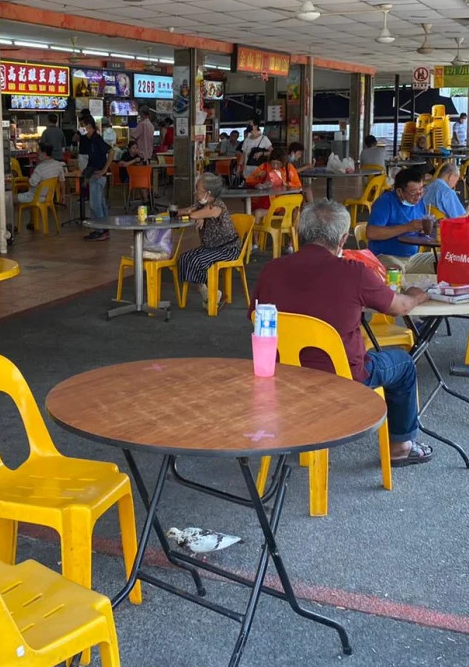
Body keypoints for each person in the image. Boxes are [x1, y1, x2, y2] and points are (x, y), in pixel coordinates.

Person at [251, 199, 433, 466]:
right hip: (344, 378)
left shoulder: (270, 270)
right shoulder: (354, 272)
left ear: (302, 232)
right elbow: (399, 307)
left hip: (283, 376)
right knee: (403, 363)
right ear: (343, 239)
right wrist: (418, 296)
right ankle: (401, 446)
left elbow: (256, 320)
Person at [175, 173, 241, 308]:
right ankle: (207, 292)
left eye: (198, 190)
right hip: (211, 247)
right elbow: (184, 211)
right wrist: (200, 215)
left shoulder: (217, 206)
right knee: (184, 258)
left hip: (227, 249)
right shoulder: (203, 205)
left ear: (208, 193)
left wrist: (200, 215)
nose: (195, 193)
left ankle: (211, 292)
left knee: (198, 260)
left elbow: (192, 213)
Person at [366, 165, 429, 269]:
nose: (418, 196)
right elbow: (371, 233)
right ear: (399, 191)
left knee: (443, 260)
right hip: (385, 256)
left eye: (421, 190)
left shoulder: (419, 201)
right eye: (413, 192)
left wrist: (428, 229)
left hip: (412, 258)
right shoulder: (385, 202)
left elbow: (422, 232)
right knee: (396, 270)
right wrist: (407, 227)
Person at [5, 140, 65, 235]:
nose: (37, 153)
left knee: (9, 199)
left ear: (44, 153)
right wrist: (62, 194)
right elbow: (62, 181)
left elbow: (32, 183)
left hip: (35, 197)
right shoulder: (58, 165)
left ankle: (12, 225)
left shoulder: (39, 168)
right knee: (32, 196)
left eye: (39, 151)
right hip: (48, 197)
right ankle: (32, 222)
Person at [244, 146, 301, 220]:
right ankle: (256, 232)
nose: (275, 166)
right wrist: (259, 178)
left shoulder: (288, 168)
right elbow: (248, 180)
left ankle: (294, 231)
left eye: (278, 163)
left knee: (296, 212)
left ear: (283, 162)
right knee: (257, 213)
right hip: (267, 204)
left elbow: (298, 185)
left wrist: (287, 184)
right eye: (273, 163)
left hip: (284, 204)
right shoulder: (264, 166)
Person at [80, 112, 111, 241]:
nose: (81, 129)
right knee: (101, 204)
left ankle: (100, 230)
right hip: (93, 174)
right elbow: (91, 161)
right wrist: (86, 178)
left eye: (83, 126)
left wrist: (104, 170)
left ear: (90, 127)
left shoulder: (97, 139)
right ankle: (104, 228)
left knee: (95, 204)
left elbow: (111, 151)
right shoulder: (89, 141)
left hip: (98, 176)